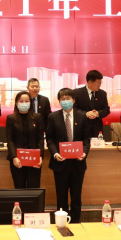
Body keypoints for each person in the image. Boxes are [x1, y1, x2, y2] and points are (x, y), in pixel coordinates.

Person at [46, 88, 89, 223]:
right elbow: (50, 139)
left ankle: (75, 222)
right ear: (59, 101)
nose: (65, 101)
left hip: (78, 162)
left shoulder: (82, 116)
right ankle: (62, 222)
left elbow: (86, 139)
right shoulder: (53, 117)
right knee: (61, 196)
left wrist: (84, 152)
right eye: (63, 99)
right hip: (60, 163)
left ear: (73, 100)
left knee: (76, 196)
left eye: (68, 98)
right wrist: (55, 153)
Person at [6, 91, 45, 189]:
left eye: (27, 101)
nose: (24, 103)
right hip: (17, 160)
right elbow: (10, 140)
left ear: (30, 102)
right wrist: (14, 157)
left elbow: (40, 138)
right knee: (19, 188)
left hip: (34, 159)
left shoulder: (37, 117)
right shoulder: (11, 118)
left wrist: (40, 156)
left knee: (34, 188)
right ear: (16, 103)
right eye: (21, 101)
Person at [74, 70, 110, 139]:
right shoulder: (77, 93)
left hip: (97, 130)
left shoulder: (102, 94)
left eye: (100, 83)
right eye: (98, 83)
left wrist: (98, 113)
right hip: (81, 128)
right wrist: (85, 114)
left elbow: (106, 110)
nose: (100, 85)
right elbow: (73, 109)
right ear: (89, 82)